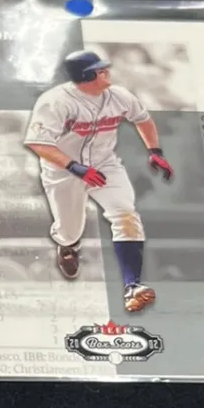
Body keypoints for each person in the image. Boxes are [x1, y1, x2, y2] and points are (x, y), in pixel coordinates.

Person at [24, 49, 173, 301]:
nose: (106, 72)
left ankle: (132, 286)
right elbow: (38, 143)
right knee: (70, 230)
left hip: (104, 164)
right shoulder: (55, 101)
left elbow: (142, 119)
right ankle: (68, 246)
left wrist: (154, 151)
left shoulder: (119, 96)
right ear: (86, 76)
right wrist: (75, 167)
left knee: (125, 214)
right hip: (64, 169)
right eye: (100, 70)